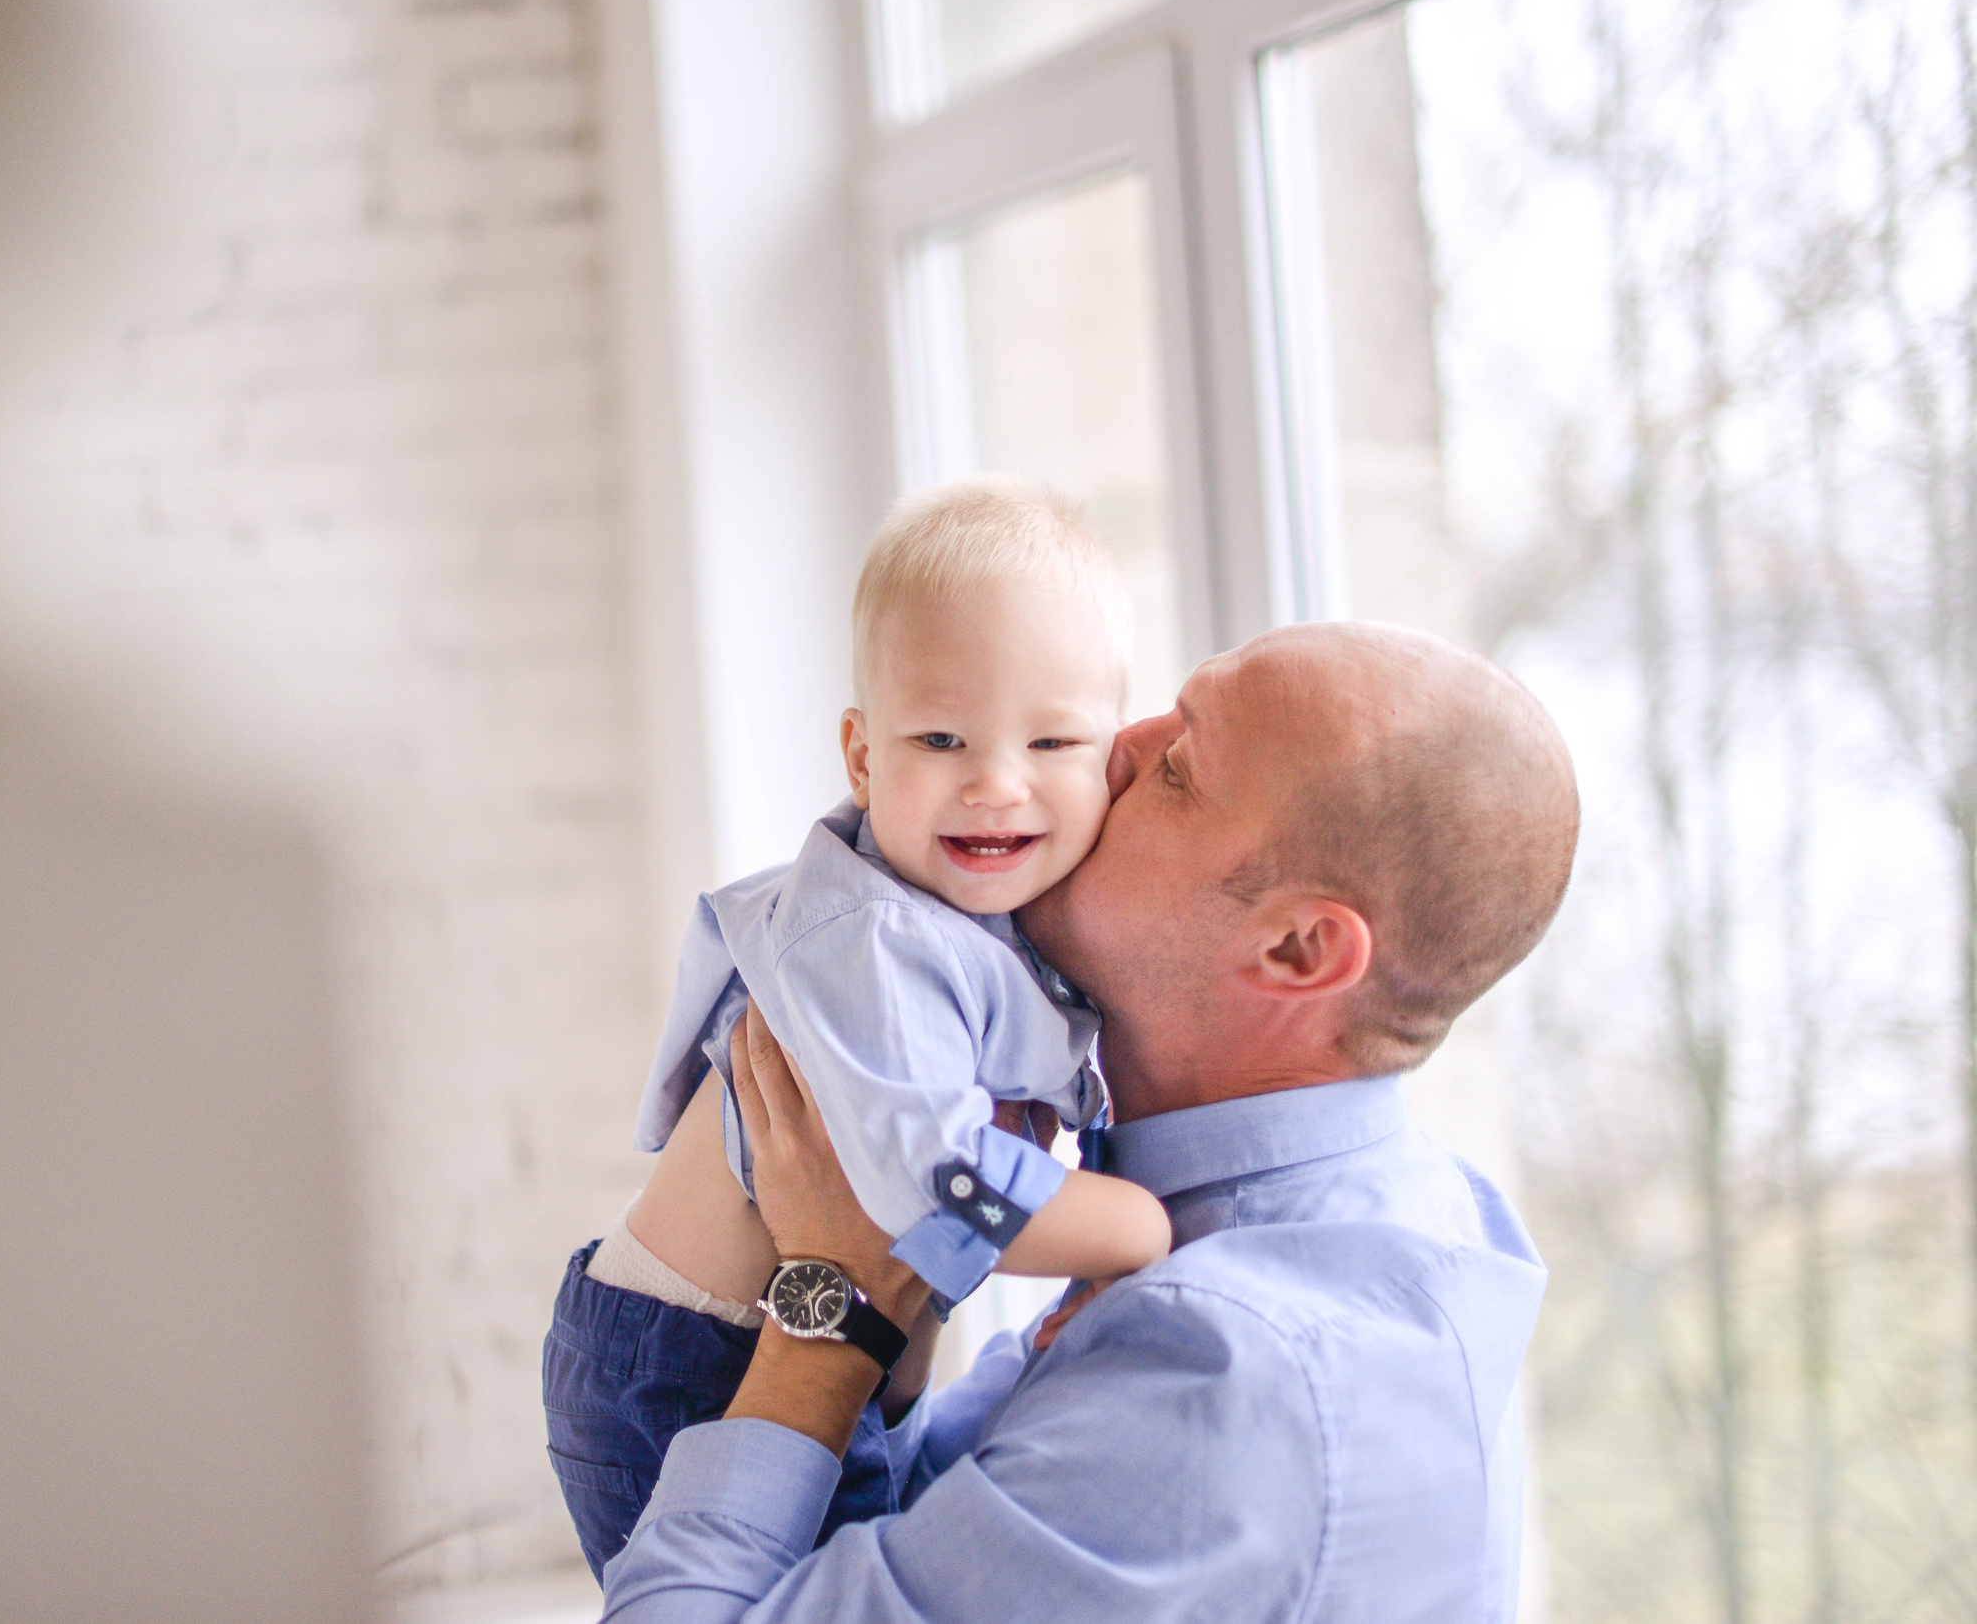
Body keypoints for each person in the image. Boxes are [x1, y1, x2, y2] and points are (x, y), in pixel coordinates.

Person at [597, 620, 1580, 1622]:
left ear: (1296, 948)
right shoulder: (1369, 1217)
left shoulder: (1225, 1374)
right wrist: (901, 1273)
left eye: (1178, 769)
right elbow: (911, 1539)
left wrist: (834, 1300)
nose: (1111, 749)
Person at [544, 482, 1171, 1575]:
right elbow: (938, 1185)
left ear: (1110, 759)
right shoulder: (874, 939)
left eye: (1052, 738)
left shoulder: (994, 925)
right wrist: (1136, 1228)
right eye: (941, 737)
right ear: (863, 756)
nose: (996, 782)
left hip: (825, 1350)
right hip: (692, 1372)